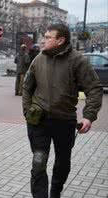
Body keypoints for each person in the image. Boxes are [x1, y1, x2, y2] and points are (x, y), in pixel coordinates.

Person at [22, 24, 103, 198]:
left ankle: (55, 193)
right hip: (38, 121)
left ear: (60, 40)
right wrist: (27, 112)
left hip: (64, 121)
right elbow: (27, 88)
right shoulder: (38, 59)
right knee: (38, 162)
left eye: (48, 37)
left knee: (62, 163)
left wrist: (89, 116)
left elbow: (94, 88)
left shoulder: (78, 60)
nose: (44, 40)